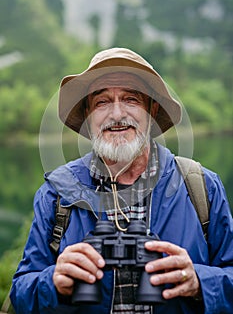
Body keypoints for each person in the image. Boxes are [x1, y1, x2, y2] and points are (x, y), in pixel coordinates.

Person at [10, 48, 233, 314]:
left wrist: (199, 281)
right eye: (102, 102)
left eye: (131, 99)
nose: (117, 114)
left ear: (151, 110)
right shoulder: (57, 193)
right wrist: (53, 282)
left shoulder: (201, 186)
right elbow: (20, 292)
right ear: (88, 116)